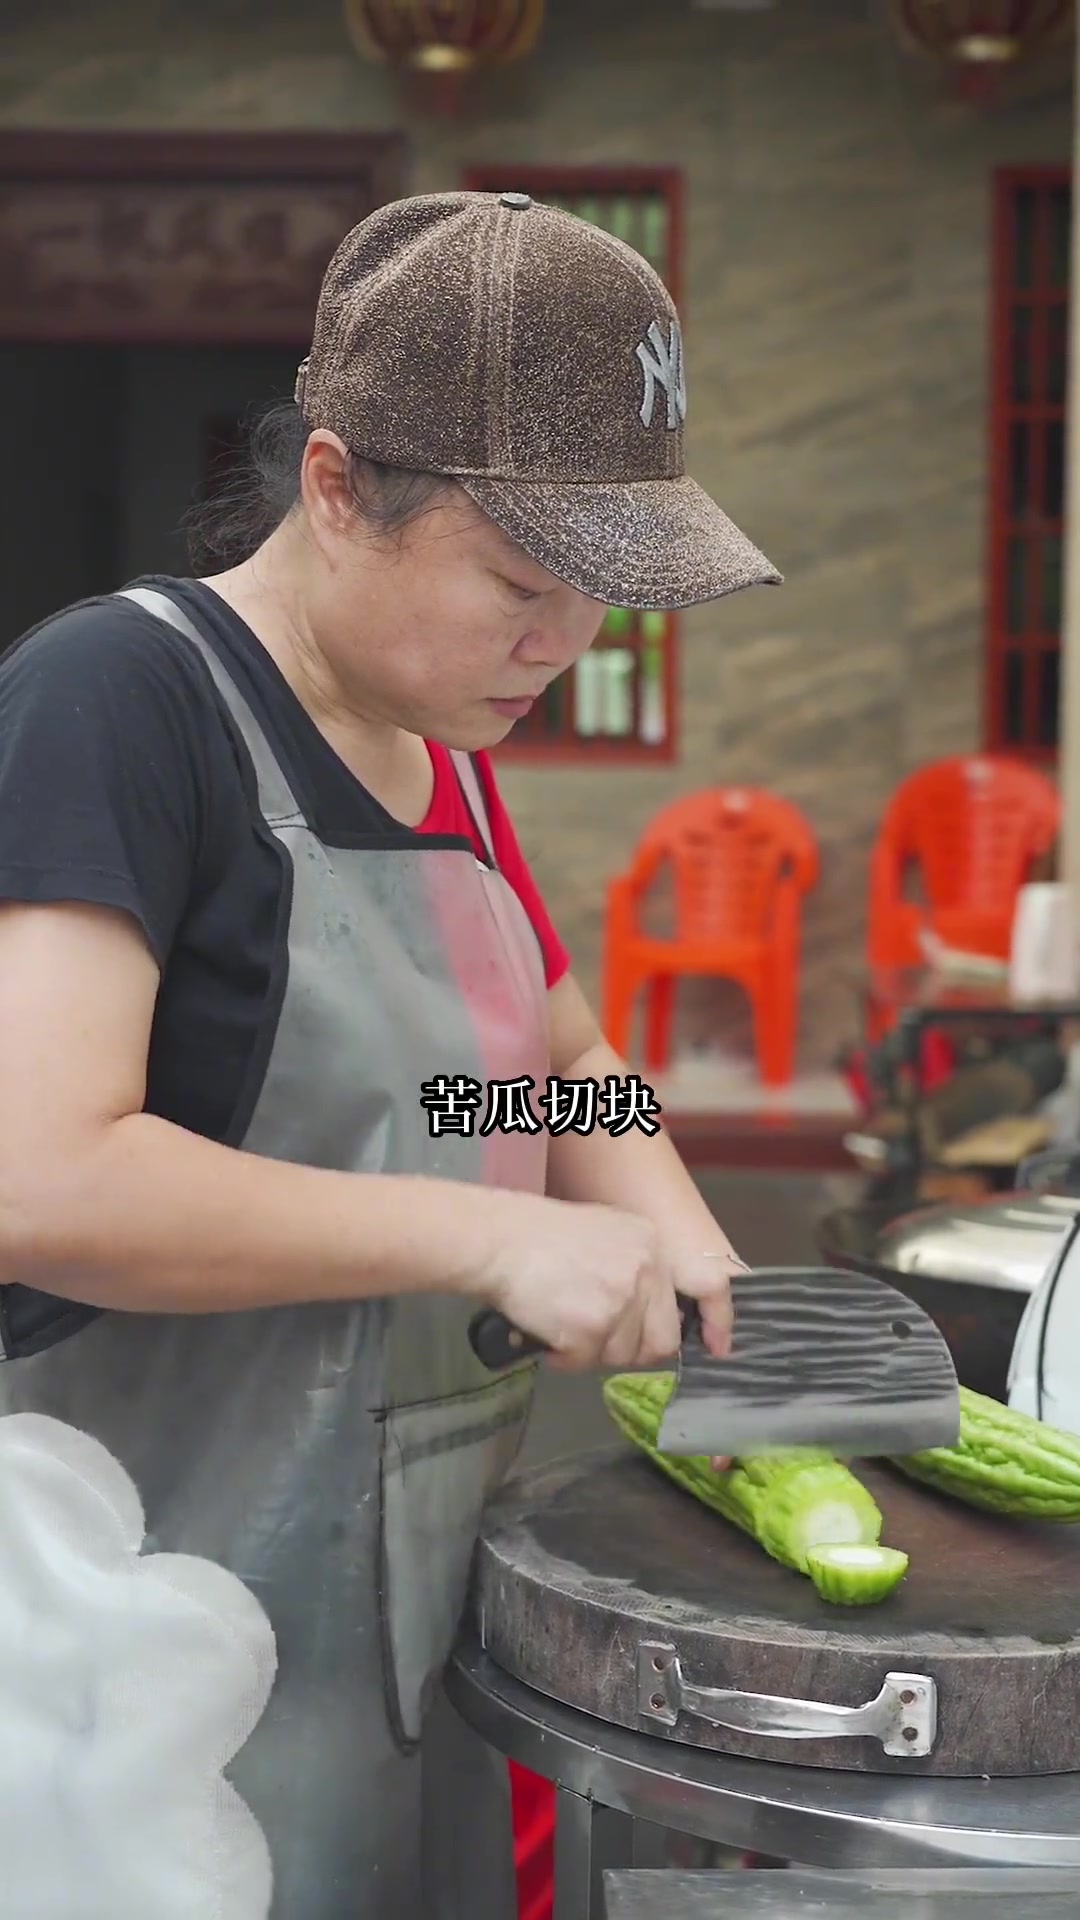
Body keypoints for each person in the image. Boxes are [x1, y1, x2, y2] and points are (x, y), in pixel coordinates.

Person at [0, 189, 781, 1918]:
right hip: (125, 1655)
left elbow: (544, 1060)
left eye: (602, 601)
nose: (562, 650)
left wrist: (707, 1267)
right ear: (338, 486)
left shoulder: (451, 762)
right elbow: (37, 1175)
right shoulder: (118, 703)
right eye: (519, 582)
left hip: (401, 1624)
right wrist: (494, 1234)